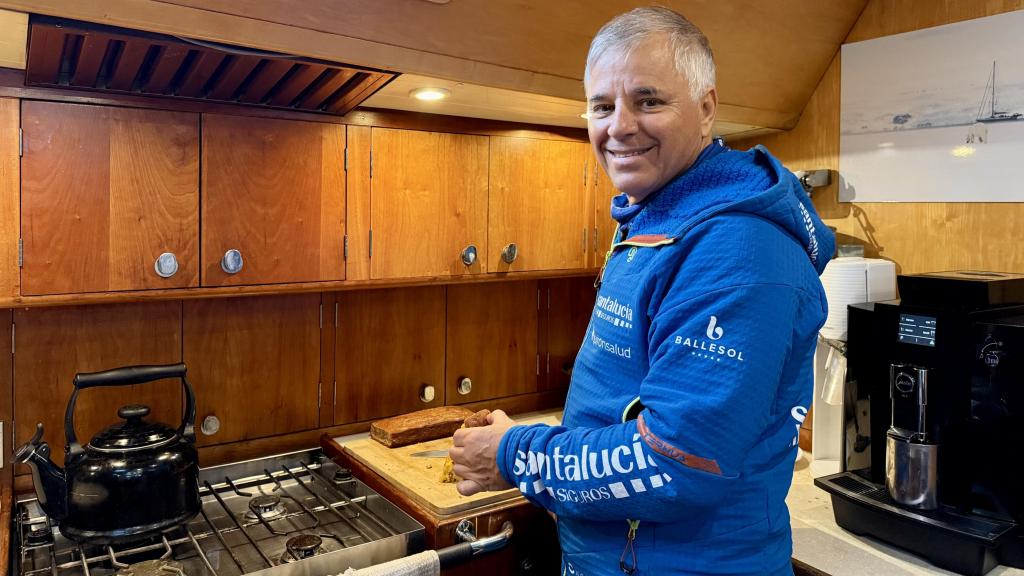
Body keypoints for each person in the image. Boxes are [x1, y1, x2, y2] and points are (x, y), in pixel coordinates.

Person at [449, 6, 834, 575]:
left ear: (706, 110)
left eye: (648, 100)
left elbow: (677, 463)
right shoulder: (661, 215)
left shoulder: (736, 251)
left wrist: (514, 454)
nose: (619, 126)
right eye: (602, 106)